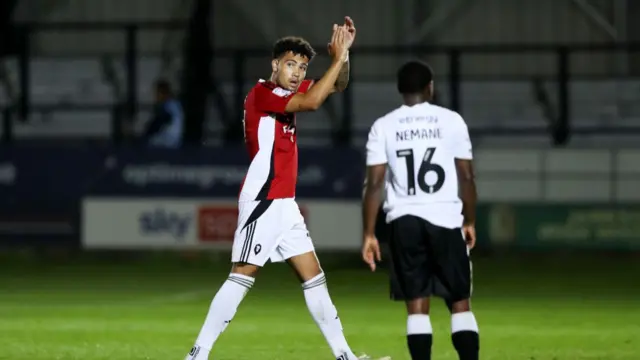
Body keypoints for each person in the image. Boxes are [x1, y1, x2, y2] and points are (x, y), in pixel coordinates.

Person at [185, 18, 387, 360]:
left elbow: (336, 85)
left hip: (285, 203)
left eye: (303, 66)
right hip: (264, 198)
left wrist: (344, 55)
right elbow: (313, 103)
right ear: (275, 64)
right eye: (291, 64)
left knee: (315, 279)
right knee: (242, 275)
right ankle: (198, 353)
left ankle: (345, 356)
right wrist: (335, 59)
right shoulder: (263, 94)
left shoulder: (287, 91)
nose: (296, 72)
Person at [361, 60, 480, 360]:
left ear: (401, 90)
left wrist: (369, 234)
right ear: (430, 87)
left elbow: (374, 185)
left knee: (416, 304)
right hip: (445, 218)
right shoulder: (451, 121)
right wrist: (470, 220)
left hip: (404, 221)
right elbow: (466, 176)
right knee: (459, 301)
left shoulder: (383, 126)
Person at [142, 79, 183, 148]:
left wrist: (147, 132)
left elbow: (159, 121)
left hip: (168, 141)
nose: (156, 97)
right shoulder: (175, 104)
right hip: (175, 141)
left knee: (146, 142)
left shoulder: (168, 105)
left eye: (157, 93)